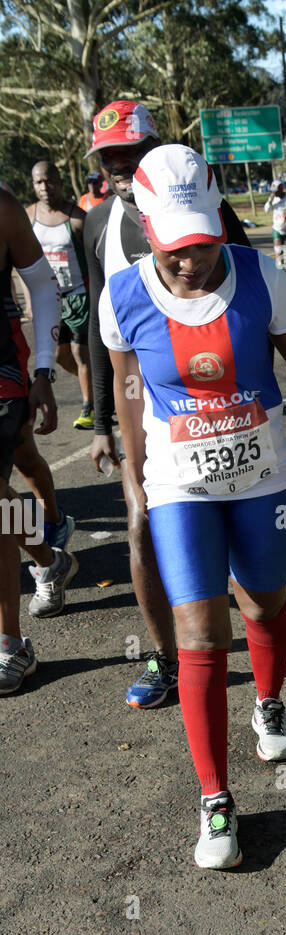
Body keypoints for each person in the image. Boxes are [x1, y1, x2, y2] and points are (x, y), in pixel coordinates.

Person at [101, 145, 286, 868]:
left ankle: (271, 701)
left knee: (262, 606)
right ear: (149, 227)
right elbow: (129, 392)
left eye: (203, 240)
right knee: (201, 632)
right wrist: (135, 479)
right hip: (179, 484)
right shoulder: (122, 296)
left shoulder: (261, 277)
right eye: (175, 246)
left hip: (262, 476)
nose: (192, 259)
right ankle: (216, 800)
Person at [83, 100, 286, 709]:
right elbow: (107, 344)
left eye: (130, 153)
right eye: (108, 157)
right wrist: (109, 426)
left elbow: (248, 309)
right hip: (163, 434)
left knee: (257, 578)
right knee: (143, 529)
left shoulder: (207, 215)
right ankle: (167, 658)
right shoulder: (95, 227)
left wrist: (252, 405)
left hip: (244, 438)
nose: (120, 165)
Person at [0, 185, 79, 694]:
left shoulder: (3, 207)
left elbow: (43, 287)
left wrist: (46, 370)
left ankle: (11, 646)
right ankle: (51, 559)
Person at [26, 161, 93, 429]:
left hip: (78, 296)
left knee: (80, 352)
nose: (45, 187)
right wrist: (29, 298)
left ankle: (90, 407)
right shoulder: (28, 217)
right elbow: (22, 263)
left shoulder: (76, 218)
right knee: (59, 354)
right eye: (39, 182)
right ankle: (96, 382)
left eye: (49, 181)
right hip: (49, 299)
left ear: (60, 182)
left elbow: (95, 258)